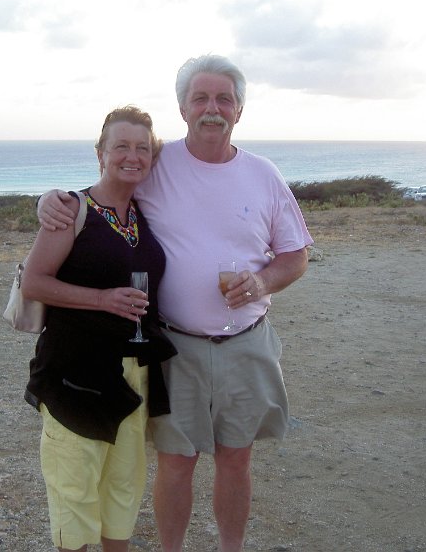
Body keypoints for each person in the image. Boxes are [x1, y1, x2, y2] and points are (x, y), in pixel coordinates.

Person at [37, 55, 313, 552]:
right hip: (176, 347)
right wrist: (52, 199)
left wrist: (262, 282)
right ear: (183, 109)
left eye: (224, 99)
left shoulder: (264, 174)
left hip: (247, 343)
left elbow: (295, 256)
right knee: (177, 462)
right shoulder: (158, 165)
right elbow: (109, 183)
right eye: (200, 98)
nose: (212, 109)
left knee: (236, 459)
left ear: (239, 110)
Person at [21, 105, 177, 552]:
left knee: (122, 491)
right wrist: (102, 299)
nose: (132, 156)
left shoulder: (143, 213)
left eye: (142, 148)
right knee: (75, 493)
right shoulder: (73, 209)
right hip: (75, 373)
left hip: (133, 374)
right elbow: (34, 282)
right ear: (100, 153)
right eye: (121, 146)